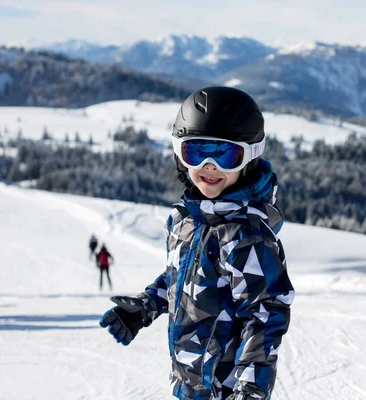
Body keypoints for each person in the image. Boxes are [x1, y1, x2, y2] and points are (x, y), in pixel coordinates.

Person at [99, 87, 295, 400]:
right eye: (196, 152)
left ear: (251, 156)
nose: (208, 166)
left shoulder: (246, 235)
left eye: (225, 154)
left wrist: (250, 387)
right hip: (188, 385)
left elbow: (266, 311)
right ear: (180, 155)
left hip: (229, 391)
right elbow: (179, 277)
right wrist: (145, 307)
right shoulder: (184, 220)